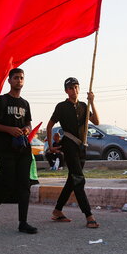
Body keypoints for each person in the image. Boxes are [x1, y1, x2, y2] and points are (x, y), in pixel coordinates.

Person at [0, 68, 38, 234]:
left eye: (21, 78)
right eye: (16, 78)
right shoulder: (1, 101)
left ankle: (23, 222)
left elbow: (28, 123)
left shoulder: (25, 104)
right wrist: (9, 130)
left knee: (24, 184)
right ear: (9, 80)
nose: (19, 81)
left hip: (22, 149)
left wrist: (27, 129)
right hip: (5, 149)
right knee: (7, 184)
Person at [45, 77, 100, 228]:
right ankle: (89, 215)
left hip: (82, 146)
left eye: (76, 87)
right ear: (66, 91)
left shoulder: (84, 105)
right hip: (68, 145)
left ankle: (57, 211)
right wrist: (51, 146)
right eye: (70, 88)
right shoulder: (61, 107)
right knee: (79, 179)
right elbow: (49, 126)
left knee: (72, 181)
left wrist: (92, 101)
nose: (74, 90)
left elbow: (96, 122)